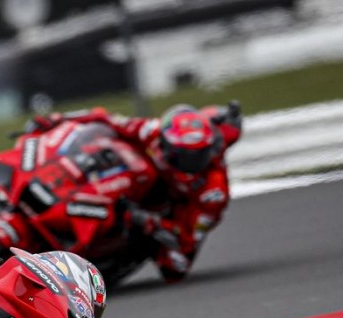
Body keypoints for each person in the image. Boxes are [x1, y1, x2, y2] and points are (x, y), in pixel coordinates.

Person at [26, 101, 242, 282]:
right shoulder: (152, 131)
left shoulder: (213, 191)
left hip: (174, 211)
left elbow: (188, 239)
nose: (188, 163)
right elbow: (106, 119)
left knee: (175, 267)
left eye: (197, 157)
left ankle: (101, 261)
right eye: (181, 155)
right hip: (143, 184)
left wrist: (149, 221)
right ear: (165, 141)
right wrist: (58, 119)